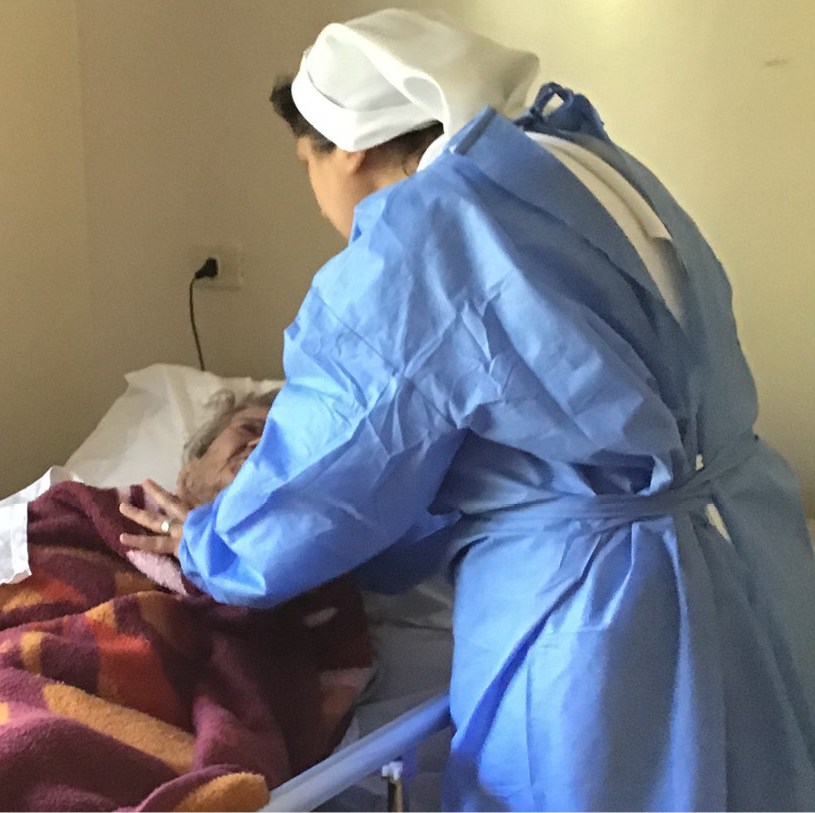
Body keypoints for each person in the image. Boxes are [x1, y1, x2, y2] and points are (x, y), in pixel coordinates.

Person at [119, 8, 815, 811]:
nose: (316, 196)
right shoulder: (584, 168)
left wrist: (210, 543)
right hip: (752, 549)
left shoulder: (422, 234)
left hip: (603, 615)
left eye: (307, 164)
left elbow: (329, 473)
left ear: (347, 147)